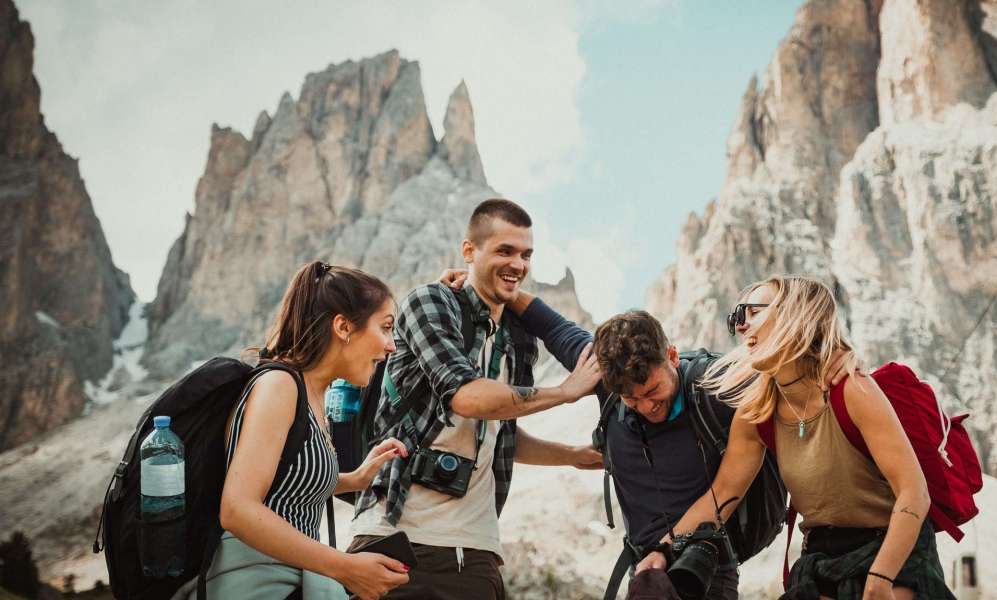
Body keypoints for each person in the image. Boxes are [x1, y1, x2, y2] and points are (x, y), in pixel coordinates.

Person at [432, 277, 856, 600]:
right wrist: (485, 283)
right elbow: (551, 326)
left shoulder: (718, 386)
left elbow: (792, 359)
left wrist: (840, 355)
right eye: (630, 400)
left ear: (672, 356)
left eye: (653, 392)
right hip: (644, 568)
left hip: (707, 562)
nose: (645, 407)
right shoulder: (607, 380)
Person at [349, 199, 603, 600]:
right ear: (468, 251)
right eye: (504, 251)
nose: (518, 264)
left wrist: (572, 455)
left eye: (526, 255)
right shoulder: (429, 302)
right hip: (397, 539)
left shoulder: (518, 339)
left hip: (478, 553)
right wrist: (564, 393)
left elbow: (499, 430)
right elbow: (466, 398)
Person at [643, 275, 954, 600]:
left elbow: (914, 491)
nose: (741, 327)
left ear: (794, 312)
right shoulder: (756, 413)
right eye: (737, 317)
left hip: (892, 549)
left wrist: (881, 578)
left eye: (752, 312)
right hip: (820, 556)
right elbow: (721, 496)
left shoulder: (851, 389)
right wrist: (663, 550)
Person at [181, 260, 412, 600]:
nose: (391, 346)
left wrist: (354, 478)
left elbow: (285, 482)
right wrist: (346, 567)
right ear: (344, 327)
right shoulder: (280, 385)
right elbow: (237, 508)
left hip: (289, 581)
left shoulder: (314, 395)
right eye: (385, 327)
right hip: (255, 584)